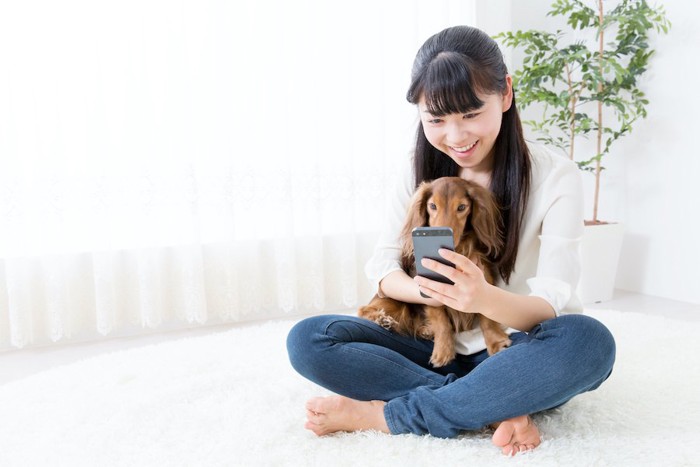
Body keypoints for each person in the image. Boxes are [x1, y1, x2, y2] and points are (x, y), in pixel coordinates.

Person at [286, 25, 616, 456]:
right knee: (310, 338)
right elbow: (383, 269)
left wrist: (480, 297)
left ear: (506, 95)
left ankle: (391, 415)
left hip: (514, 344)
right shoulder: (418, 173)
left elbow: (550, 303)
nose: (456, 137)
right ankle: (492, 400)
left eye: (470, 114)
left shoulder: (555, 175)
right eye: (436, 119)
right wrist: (431, 289)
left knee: (590, 342)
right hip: (431, 342)